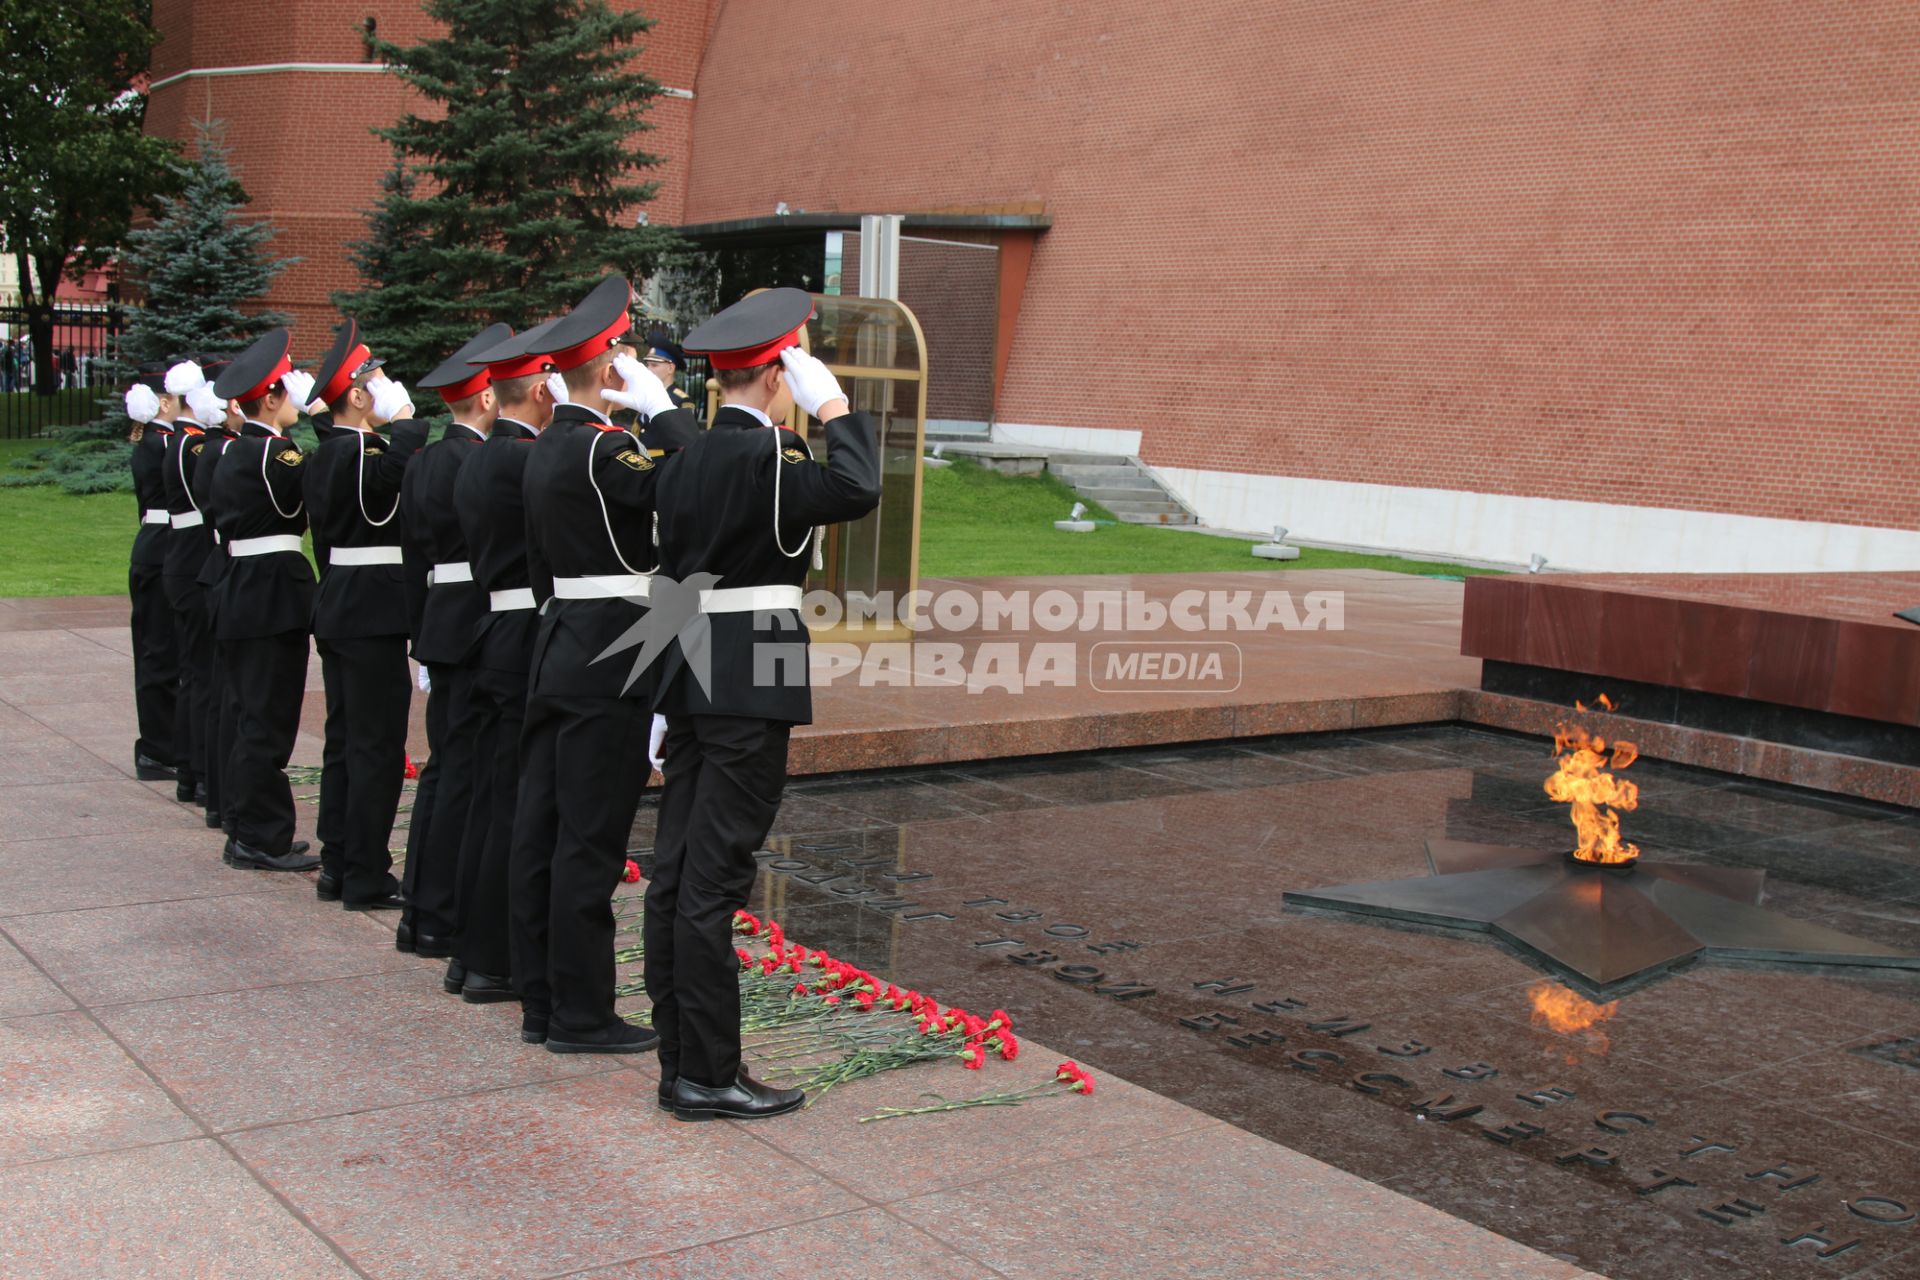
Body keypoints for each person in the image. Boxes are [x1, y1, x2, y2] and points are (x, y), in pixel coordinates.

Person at [647, 287, 880, 1120]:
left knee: (675, 874)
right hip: (755, 672)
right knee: (713, 881)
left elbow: (670, 578)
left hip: (688, 666)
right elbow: (857, 487)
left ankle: (681, 1062)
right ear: (781, 371)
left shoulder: (683, 458)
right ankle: (709, 1073)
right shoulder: (770, 458)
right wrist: (837, 407)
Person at [511, 275, 699, 1054]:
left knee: (542, 833)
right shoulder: (607, 448)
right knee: (589, 843)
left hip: (558, 643)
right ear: (613, 365)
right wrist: (660, 409)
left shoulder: (543, 444)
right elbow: (693, 477)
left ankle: (541, 1002)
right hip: (609, 656)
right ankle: (582, 1015)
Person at [445, 318, 561, 1004]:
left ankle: (473, 951)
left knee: (490, 801)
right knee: (519, 807)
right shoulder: (526, 461)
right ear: (542, 390)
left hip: (493, 628)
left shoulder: (479, 456)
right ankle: (498, 959)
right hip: (524, 632)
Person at [304, 320, 432, 910]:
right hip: (369, 611)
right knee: (375, 747)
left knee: (345, 741)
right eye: (376, 380)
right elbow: (399, 465)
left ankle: (338, 860)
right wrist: (406, 414)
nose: (387, 386)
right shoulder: (356, 450)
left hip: (343, 606)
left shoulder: (331, 450)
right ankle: (364, 872)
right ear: (357, 396)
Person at [394, 324, 507, 957]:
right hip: (476, 619)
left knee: (443, 771)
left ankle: (421, 907)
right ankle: (440, 913)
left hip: (439, 618)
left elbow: (414, 558)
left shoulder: (425, 460)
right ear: (487, 399)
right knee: (464, 773)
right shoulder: (478, 460)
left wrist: (420, 635)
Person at [206, 330, 319, 871]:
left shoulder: (233, 449)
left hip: (243, 590)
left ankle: (247, 825)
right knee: (266, 720)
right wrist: (322, 412)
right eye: (290, 391)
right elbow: (319, 481)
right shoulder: (273, 452)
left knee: (252, 713)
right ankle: (258, 835)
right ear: (272, 397)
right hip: (267, 594)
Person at [160, 357, 218, 811]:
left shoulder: (181, 440)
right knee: (200, 675)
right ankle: (197, 772)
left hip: (182, 558)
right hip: (193, 559)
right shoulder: (194, 445)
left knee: (193, 674)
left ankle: (189, 769)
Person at [124, 362, 181, 783]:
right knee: (158, 649)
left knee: (163, 648)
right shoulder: (161, 443)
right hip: (161, 546)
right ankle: (158, 748)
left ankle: (165, 743)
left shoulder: (163, 441)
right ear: (163, 402)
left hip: (160, 545)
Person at [640, 341, 698, 413]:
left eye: (654, 365)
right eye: (648, 365)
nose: (648, 369)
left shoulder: (681, 400)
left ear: (670, 368)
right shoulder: (647, 396)